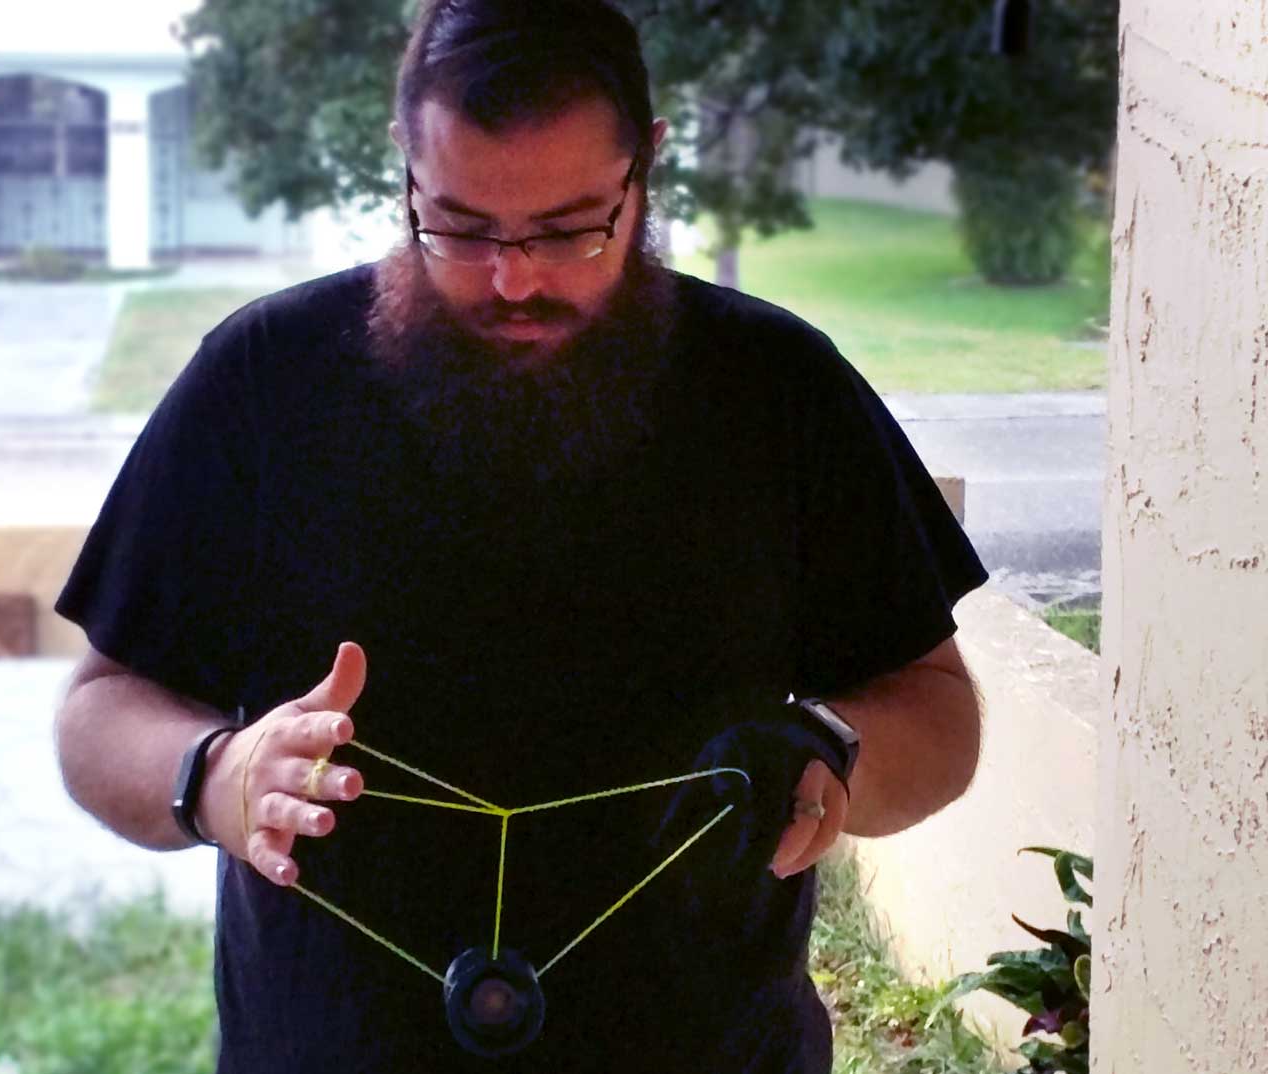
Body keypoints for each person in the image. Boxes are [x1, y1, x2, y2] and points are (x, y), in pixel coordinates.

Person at [52, 1, 987, 1069]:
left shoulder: (777, 388)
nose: (514, 279)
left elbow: (936, 711)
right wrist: (212, 778)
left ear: (646, 169)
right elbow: (97, 712)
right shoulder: (263, 379)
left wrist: (836, 753)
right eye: (457, 225)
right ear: (405, 163)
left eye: (568, 226)